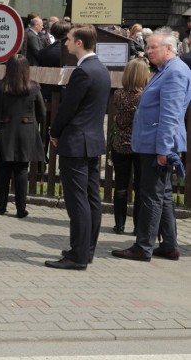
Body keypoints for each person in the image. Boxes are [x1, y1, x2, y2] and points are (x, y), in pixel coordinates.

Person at [112, 29, 191, 262]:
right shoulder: (164, 70)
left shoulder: (175, 72)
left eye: (152, 47)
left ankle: (143, 246)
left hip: (158, 144)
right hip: (153, 143)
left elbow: (171, 114)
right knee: (163, 195)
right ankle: (169, 246)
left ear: (169, 48)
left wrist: (163, 149)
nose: (147, 51)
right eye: (147, 47)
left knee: (151, 196)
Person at [46, 24, 111, 270]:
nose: (65, 43)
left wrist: (55, 132)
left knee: (78, 202)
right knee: (92, 198)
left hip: (76, 142)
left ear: (79, 43)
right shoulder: (102, 70)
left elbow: (68, 108)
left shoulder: (83, 72)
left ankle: (77, 255)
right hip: (93, 140)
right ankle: (87, 249)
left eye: (69, 39)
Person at [0, 54, 46, 218]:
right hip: (26, 132)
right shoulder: (34, 87)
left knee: (4, 169)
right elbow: (41, 112)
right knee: (21, 169)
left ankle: (1, 206)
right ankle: (21, 208)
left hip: (5, 131)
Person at [108, 58, 150, 235]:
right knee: (141, 187)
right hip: (140, 145)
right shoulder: (146, 96)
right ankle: (138, 227)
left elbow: (118, 117)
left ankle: (119, 224)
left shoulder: (119, 94)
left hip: (121, 144)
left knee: (121, 186)